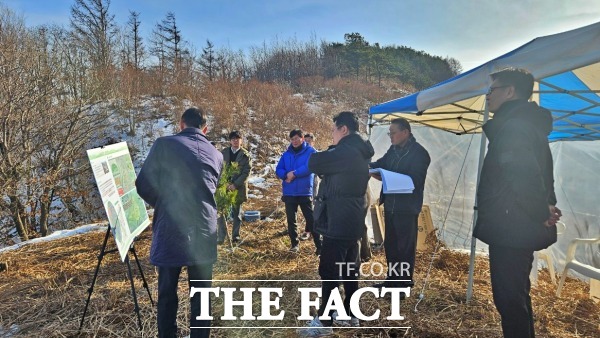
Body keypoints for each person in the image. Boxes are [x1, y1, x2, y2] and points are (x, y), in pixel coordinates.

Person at [473, 68, 561, 338]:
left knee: (509, 299)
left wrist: (540, 209)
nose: (487, 96)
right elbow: (538, 173)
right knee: (517, 297)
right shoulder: (525, 124)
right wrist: (543, 207)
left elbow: (523, 175)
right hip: (518, 221)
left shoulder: (514, 127)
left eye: (492, 90)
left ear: (510, 91)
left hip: (512, 224)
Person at [135, 107, 223, 338]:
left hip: (171, 229)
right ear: (205, 129)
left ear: (181, 124)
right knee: (201, 296)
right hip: (205, 229)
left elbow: (143, 184)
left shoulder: (164, 145)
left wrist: (165, 204)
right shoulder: (217, 154)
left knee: (166, 293)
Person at [297, 111, 375, 336]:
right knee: (350, 269)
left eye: (333, 130)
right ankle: (351, 314)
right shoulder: (359, 151)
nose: (332, 135)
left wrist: (328, 152)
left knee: (329, 270)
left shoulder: (347, 151)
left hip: (339, 220)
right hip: (352, 219)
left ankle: (324, 321)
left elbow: (314, 161)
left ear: (343, 129)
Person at [370, 117, 430, 291]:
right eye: (389, 133)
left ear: (405, 132)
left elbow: (416, 180)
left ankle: (403, 285)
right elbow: (381, 164)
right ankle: (391, 281)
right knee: (392, 245)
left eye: (393, 133)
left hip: (407, 207)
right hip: (391, 205)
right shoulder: (393, 150)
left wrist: (387, 175)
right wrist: (368, 167)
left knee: (405, 248)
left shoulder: (420, 153)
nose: (390, 136)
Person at [275, 129, 321, 254]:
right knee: (291, 220)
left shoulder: (311, 152)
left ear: (302, 138)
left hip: (304, 191)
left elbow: (310, 166)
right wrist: (285, 175)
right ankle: (294, 244)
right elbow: (278, 169)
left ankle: (319, 246)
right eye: (292, 139)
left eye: (296, 138)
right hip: (289, 192)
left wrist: (295, 174)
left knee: (310, 219)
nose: (294, 141)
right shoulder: (286, 154)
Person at [217, 130, 252, 244]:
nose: (235, 141)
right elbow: (220, 169)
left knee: (237, 213)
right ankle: (221, 236)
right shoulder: (224, 153)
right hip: (224, 187)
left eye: (238, 139)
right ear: (230, 141)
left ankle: (235, 236)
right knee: (222, 212)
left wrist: (235, 185)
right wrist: (225, 183)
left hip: (238, 188)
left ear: (241, 140)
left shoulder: (245, 155)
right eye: (233, 139)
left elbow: (246, 172)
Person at [299, 133, 317, 242]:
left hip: (313, 184)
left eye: (309, 141)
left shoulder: (315, 154)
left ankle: (309, 231)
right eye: (305, 141)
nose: (307, 143)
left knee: (311, 208)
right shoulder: (300, 153)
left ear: (313, 142)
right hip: (301, 184)